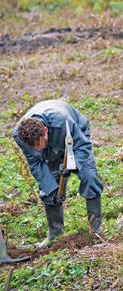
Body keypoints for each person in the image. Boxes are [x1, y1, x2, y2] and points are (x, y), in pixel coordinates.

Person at [12, 100, 103, 248]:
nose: (37, 149)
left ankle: (96, 231)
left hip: (76, 137)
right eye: (34, 147)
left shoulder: (63, 121)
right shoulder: (19, 136)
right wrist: (52, 188)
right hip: (52, 149)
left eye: (39, 144)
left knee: (90, 177)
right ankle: (55, 235)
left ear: (45, 130)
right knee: (48, 188)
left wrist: (71, 165)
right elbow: (36, 163)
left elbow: (83, 145)